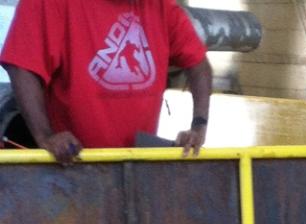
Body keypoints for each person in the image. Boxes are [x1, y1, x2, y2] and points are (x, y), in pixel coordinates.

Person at [1, 0, 212, 164]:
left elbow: (199, 65)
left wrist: (198, 126)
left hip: (134, 164)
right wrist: (45, 136)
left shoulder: (158, 5)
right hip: (72, 165)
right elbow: (22, 65)